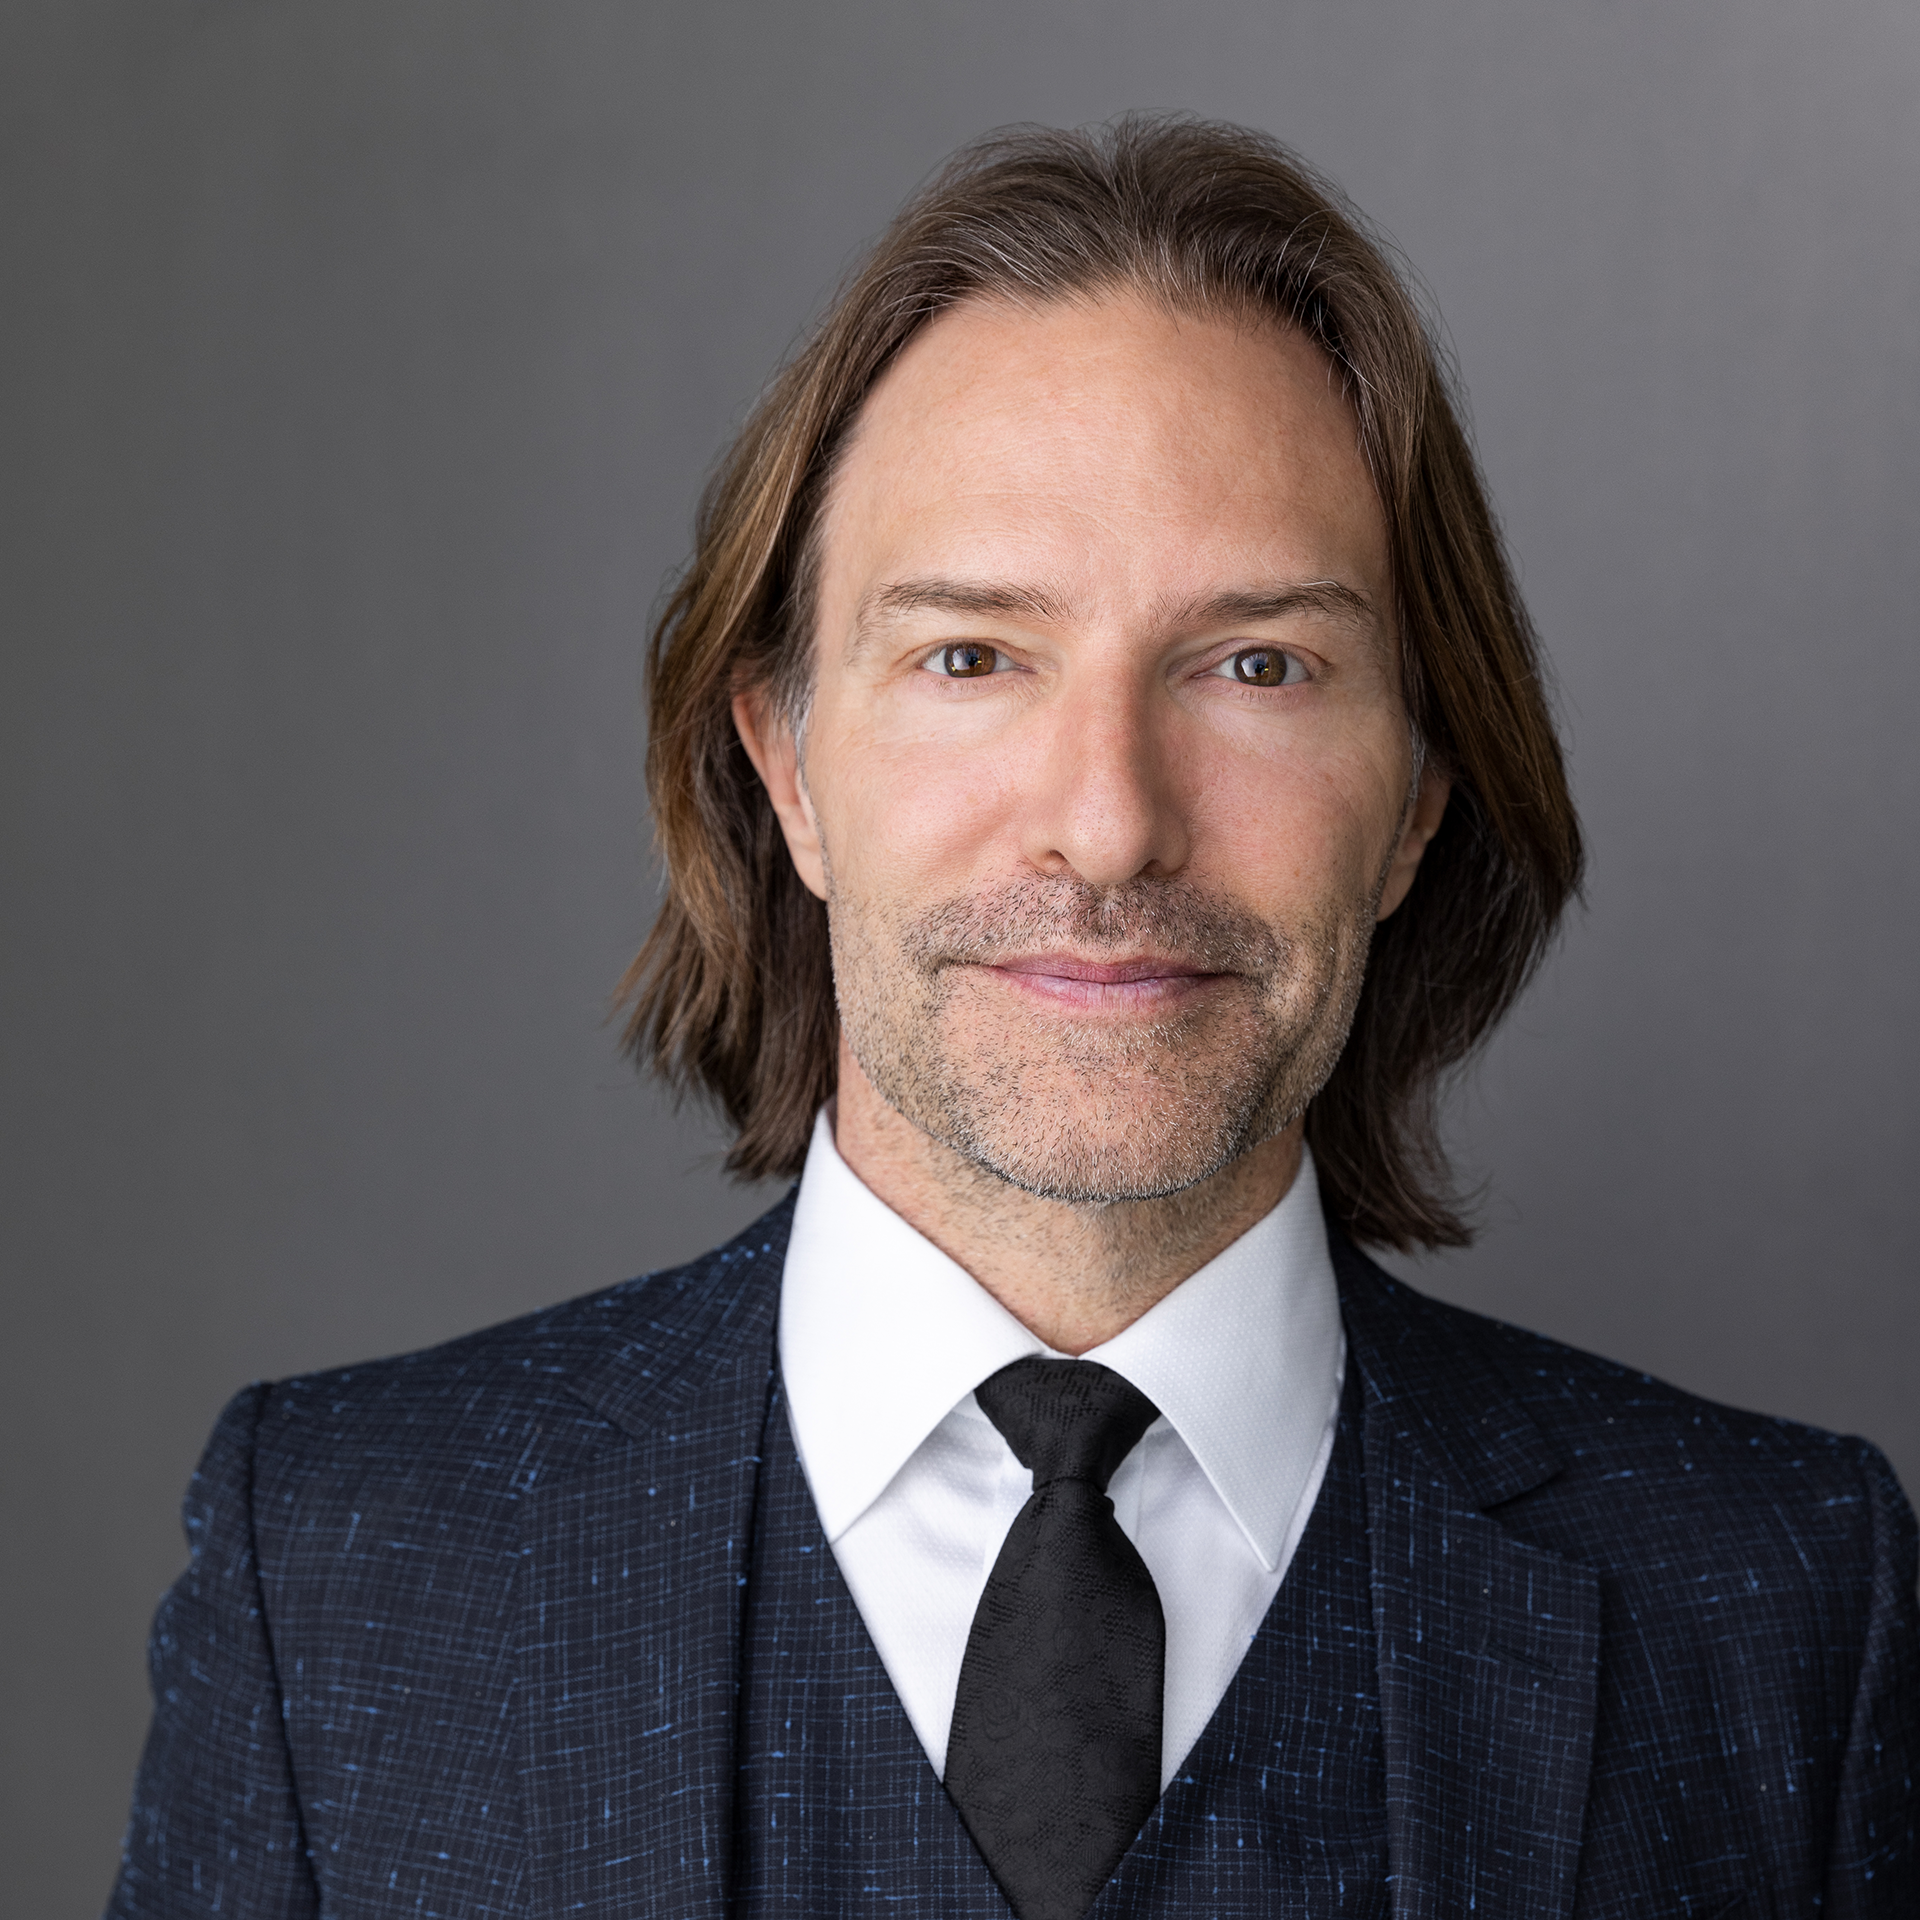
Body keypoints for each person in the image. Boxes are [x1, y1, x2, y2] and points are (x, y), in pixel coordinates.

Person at [109, 117, 1916, 1920]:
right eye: (970, 656)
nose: (1110, 820)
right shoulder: (336, 1565)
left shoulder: (1782, 1605)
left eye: (1259, 664)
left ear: (1418, 801)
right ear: (788, 768)